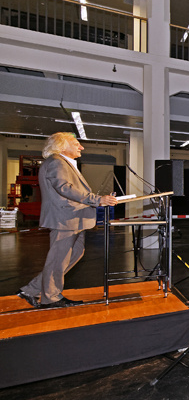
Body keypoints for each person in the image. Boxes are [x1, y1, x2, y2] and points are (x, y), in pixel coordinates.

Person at [17, 132, 118, 309]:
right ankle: (51, 298)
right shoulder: (56, 162)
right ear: (62, 145)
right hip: (65, 219)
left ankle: (31, 290)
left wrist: (99, 199)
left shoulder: (63, 163)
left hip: (73, 219)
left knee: (73, 255)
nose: (81, 147)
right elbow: (65, 188)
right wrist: (97, 199)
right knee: (58, 259)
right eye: (76, 143)